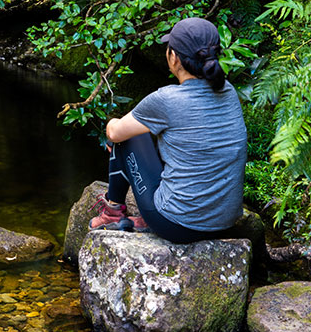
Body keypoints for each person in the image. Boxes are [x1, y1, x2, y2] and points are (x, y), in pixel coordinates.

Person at [89, 17, 247, 243]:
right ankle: (130, 213)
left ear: (174, 57)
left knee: (124, 137)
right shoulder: (228, 91)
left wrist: (112, 123)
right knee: (147, 132)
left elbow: (114, 133)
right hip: (223, 223)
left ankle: (112, 212)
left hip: (177, 225)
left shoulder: (167, 99)